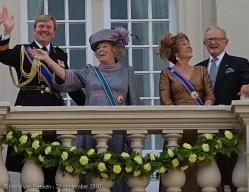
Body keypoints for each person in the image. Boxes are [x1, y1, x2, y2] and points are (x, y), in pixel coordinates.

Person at [29, 27, 140, 192]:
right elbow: (66, 76)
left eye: (104, 46)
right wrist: (48, 60)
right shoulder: (90, 71)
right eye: (97, 48)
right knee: (90, 174)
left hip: (117, 133)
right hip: (90, 132)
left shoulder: (126, 71)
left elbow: (135, 105)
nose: (99, 50)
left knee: (115, 175)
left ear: (116, 49)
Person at [0, 6, 85, 192]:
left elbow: (67, 83)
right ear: (34, 30)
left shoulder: (60, 55)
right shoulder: (22, 50)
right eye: (40, 26)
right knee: (29, 160)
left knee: (52, 161)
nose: (44, 30)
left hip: (53, 108)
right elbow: (3, 55)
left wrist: (87, 104)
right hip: (28, 106)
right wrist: (7, 31)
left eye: (48, 27)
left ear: (53, 33)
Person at [196, 26, 249, 192]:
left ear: (226, 42)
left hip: (228, 127)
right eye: (209, 40)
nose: (213, 42)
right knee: (208, 174)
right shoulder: (199, 68)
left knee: (231, 171)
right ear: (204, 43)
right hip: (204, 126)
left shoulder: (238, 63)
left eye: (217, 39)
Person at [157, 32, 215, 192]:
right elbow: (165, 99)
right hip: (178, 128)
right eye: (184, 44)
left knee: (202, 169)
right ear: (175, 52)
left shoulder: (201, 70)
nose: (189, 46)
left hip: (200, 125)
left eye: (189, 43)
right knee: (178, 170)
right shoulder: (167, 73)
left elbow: (209, 94)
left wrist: (207, 106)